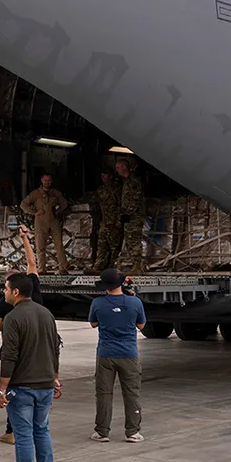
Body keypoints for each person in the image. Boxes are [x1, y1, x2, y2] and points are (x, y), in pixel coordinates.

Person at [0, 273, 61, 462]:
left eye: (6, 288)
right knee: (42, 431)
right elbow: (55, 347)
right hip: (45, 384)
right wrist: (54, 375)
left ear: (15, 292)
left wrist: (1, 389)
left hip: (22, 387)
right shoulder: (46, 314)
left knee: (23, 436)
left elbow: (9, 356)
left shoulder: (12, 318)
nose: (4, 292)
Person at [0, 225, 41, 445]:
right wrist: (25, 238)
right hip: (38, 350)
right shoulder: (35, 290)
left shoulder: (5, 302)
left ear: (13, 289)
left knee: (13, 390)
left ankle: (11, 432)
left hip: (15, 352)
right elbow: (32, 263)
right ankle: (35, 428)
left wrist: (8, 322)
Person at [89, 268, 146, 443]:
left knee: (104, 393)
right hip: (129, 354)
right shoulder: (135, 302)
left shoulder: (98, 303)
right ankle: (132, 432)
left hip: (106, 353)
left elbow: (93, 323)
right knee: (131, 393)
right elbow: (141, 326)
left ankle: (102, 431)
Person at [21, 173, 70, 274]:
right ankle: (41, 268)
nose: (47, 182)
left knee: (59, 245)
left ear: (51, 181)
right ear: (42, 181)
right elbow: (23, 205)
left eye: (49, 180)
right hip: (40, 222)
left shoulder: (55, 193)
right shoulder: (35, 194)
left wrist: (58, 211)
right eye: (45, 180)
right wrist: (34, 212)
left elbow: (64, 203)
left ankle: (63, 268)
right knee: (40, 247)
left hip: (54, 221)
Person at [115, 158, 146, 272]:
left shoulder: (133, 181)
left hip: (134, 216)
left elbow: (135, 199)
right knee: (129, 239)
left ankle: (138, 266)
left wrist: (127, 212)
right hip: (129, 216)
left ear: (124, 167)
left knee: (134, 239)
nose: (116, 170)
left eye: (118, 168)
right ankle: (134, 264)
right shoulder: (126, 181)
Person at [90, 170, 122, 271]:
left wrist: (117, 223)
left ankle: (114, 267)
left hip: (114, 222)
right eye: (102, 175)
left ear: (110, 176)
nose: (103, 177)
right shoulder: (101, 189)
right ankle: (98, 266)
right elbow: (96, 201)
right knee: (101, 245)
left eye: (105, 175)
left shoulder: (117, 188)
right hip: (104, 222)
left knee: (115, 247)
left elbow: (121, 206)